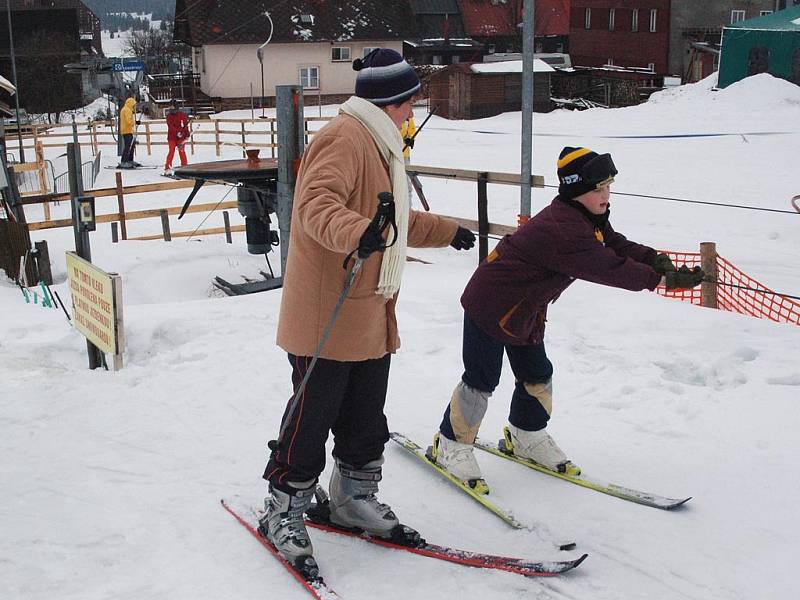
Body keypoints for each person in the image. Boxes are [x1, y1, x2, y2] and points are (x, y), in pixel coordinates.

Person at [260, 48, 476, 574]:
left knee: (364, 417)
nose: (411, 115)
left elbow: (391, 218)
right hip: (326, 317)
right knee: (312, 419)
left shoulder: (381, 145)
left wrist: (448, 231)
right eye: (409, 105)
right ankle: (283, 508)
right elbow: (315, 208)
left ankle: (353, 498)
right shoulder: (345, 138)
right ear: (391, 102)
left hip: (370, 312)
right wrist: (358, 232)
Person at [430, 146, 705, 493]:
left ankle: (526, 436)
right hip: (490, 303)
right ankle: (450, 446)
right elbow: (607, 266)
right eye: (598, 188)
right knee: (482, 379)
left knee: (537, 373)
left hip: (525, 308)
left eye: (609, 186)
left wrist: (657, 261)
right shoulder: (562, 229)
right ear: (577, 189)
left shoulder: (583, 216)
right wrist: (659, 280)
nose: (606, 195)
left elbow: (615, 245)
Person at [163, 99, 190, 176]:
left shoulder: (182, 115)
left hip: (181, 138)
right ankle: (167, 168)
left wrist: (187, 134)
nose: (171, 108)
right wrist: (177, 132)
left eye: (172, 107)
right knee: (171, 151)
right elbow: (171, 127)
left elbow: (185, 125)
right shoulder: (169, 116)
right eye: (170, 107)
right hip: (172, 137)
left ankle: (184, 168)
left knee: (181, 151)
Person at [118, 95, 139, 168]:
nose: (134, 106)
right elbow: (128, 121)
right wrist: (134, 123)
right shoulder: (127, 110)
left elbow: (129, 120)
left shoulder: (126, 109)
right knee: (128, 146)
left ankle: (130, 159)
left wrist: (135, 122)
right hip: (127, 130)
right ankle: (124, 161)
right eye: (133, 105)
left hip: (128, 130)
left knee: (131, 145)